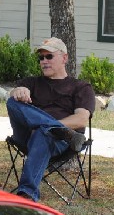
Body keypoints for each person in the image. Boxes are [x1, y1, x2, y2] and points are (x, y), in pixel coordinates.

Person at [7, 37, 95, 202]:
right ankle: (53, 128)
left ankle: (26, 195)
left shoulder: (81, 87)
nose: (44, 61)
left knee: (43, 133)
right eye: (41, 58)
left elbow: (81, 119)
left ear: (64, 58)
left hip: (60, 142)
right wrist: (19, 91)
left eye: (49, 56)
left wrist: (49, 128)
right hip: (26, 135)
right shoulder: (32, 82)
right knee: (12, 101)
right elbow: (17, 93)